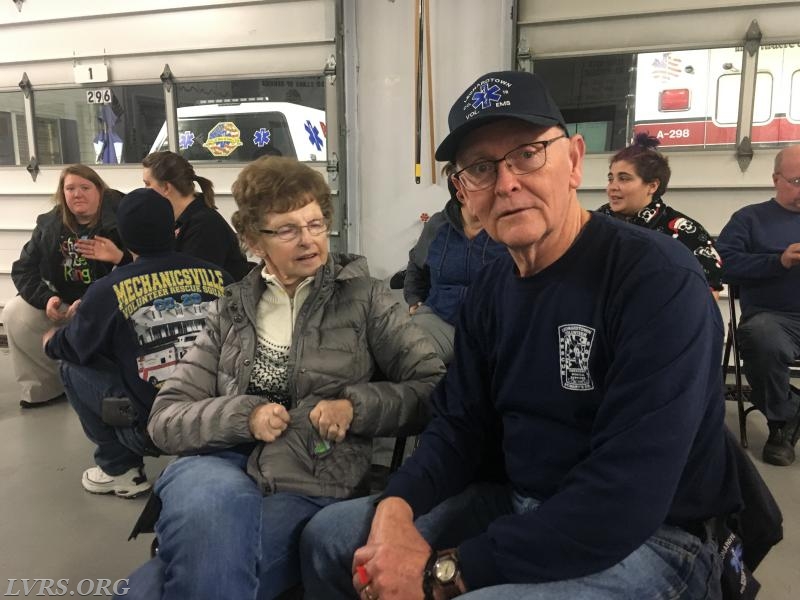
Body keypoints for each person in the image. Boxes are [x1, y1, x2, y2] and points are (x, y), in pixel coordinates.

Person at [300, 70, 743, 600]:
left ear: (575, 161)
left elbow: (626, 495)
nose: (506, 183)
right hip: (520, 499)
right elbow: (460, 425)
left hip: (654, 536)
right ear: (465, 192)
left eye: (528, 154)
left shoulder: (656, 280)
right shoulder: (492, 286)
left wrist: (443, 570)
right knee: (330, 540)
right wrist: (397, 506)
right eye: (482, 168)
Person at [121, 156, 445, 600]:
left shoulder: (365, 299)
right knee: (209, 499)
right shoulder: (231, 308)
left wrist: (356, 406)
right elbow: (166, 418)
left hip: (310, 478)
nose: (310, 240)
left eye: (315, 224)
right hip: (219, 466)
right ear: (255, 241)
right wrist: (244, 415)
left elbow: (432, 387)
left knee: (144, 590)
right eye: (288, 229)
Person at [42, 188, 232, 497]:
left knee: (70, 367)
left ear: (124, 240)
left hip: (152, 432)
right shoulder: (221, 277)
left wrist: (51, 341)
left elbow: (74, 347)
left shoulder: (107, 290)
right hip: (221, 422)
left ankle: (120, 468)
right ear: (175, 230)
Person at [3, 165, 124, 408]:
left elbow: (146, 266)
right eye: (70, 189)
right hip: (62, 302)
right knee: (15, 312)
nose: (77, 194)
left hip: (107, 303)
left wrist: (118, 257)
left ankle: (109, 387)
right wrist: (47, 298)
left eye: (84, 187)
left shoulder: (122, 219)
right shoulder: (50, 225)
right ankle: (45, 388)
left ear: (100, 191)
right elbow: (23, 269)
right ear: (62, 194)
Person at [716, 144, 800, 466]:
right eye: (796, 181)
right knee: (760, 337)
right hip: (772, 318)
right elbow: (722, 265)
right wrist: (778, 261)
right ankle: (782, 422)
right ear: (776, 179)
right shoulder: (750, 219)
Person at [78, 151, 251, 280]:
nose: (144, 190)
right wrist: (119, 257)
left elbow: (183, 283)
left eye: (147, 184)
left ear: (166, 188)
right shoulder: (176, 221)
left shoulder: (205, 225)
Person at [597, 132, 723, 298]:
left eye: (624, 179)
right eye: (610, 179)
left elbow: (708, 294)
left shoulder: (687, 232)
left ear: (652, 186)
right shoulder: (597, 222)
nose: (612, 187)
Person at [403, 165, 506, 363]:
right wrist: (414, 300)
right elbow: (416, 265)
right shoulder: (437, 226)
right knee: (406, 355)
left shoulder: (506, 227)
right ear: (460, 193)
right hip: (440, 318)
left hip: (493, 324)